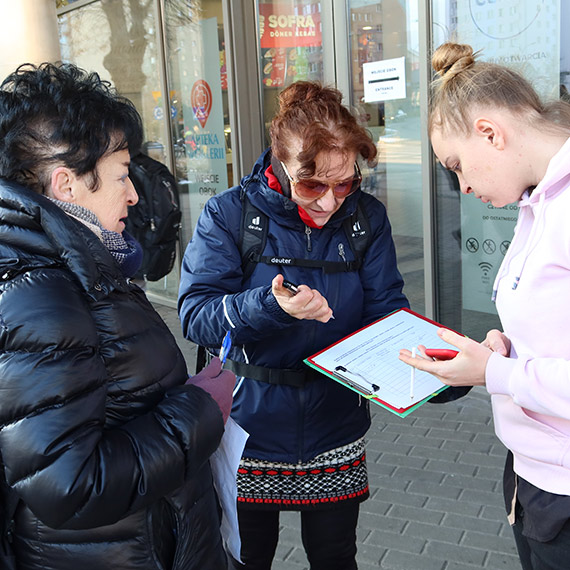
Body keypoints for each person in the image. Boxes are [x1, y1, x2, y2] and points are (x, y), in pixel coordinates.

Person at [0, 62, 235, 570]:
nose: (133, 194)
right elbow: (68, 485)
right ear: (66, 185)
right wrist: (200, 410)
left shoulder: (76, 265)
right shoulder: (42, 296)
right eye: (122, 176)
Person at [178, 81, 409, 570]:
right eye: (313, 185)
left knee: (334, 557)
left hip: (335, 424)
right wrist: (270, 306)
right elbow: (196, 316)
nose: (329, 202)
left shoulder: (367, 219)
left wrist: (440, 370)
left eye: (344, 183)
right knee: (247, 558)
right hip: (249, 428)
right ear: (279, 163)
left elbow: (388, 314)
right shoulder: (230, 214)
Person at [399, 42, 570, 570]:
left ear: (490, 132)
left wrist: (496, 371)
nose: (462, 186)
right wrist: (502, 349)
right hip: (534, 474)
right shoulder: (538, 200)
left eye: (455, 165)